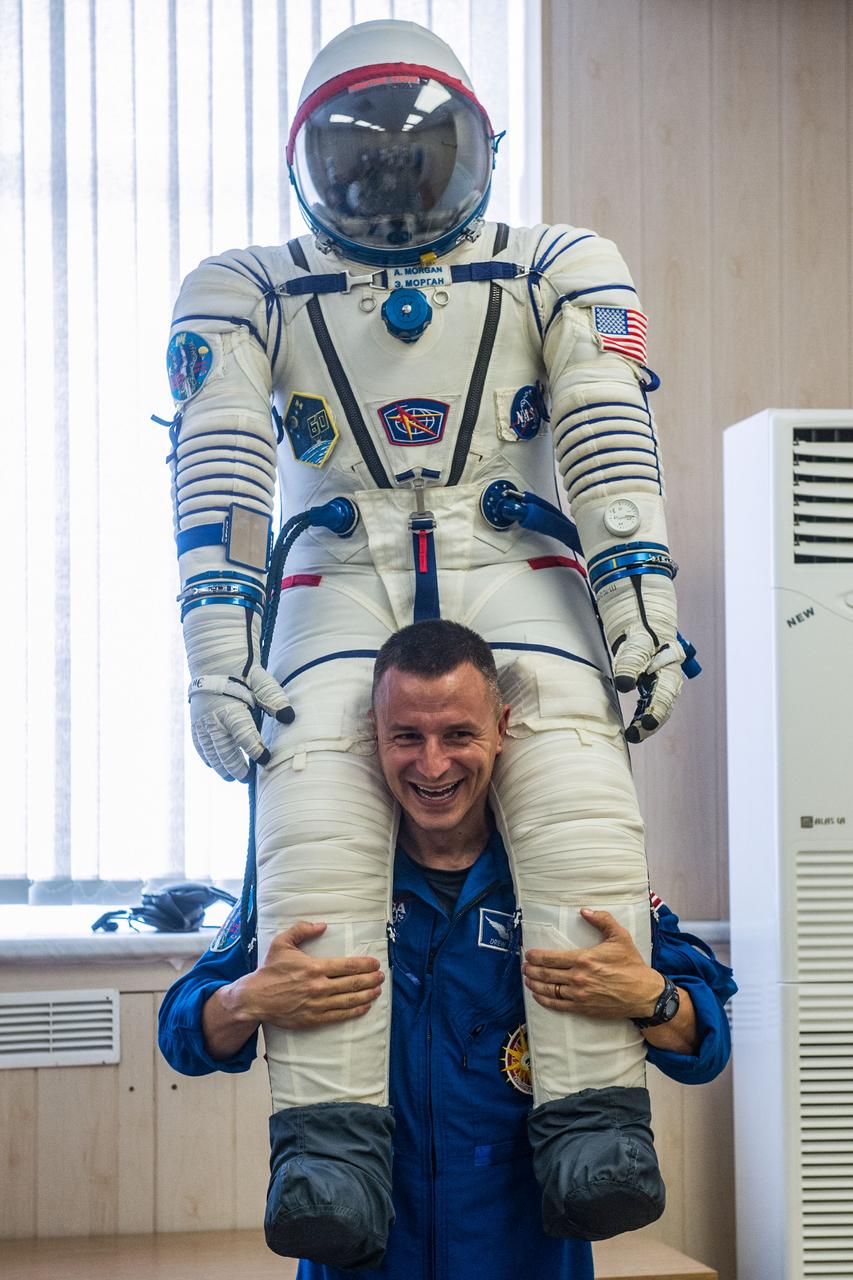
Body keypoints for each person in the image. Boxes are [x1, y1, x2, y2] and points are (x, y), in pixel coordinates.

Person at [163, 17, 700, 1266]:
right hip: (337, 568)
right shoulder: (244, 284)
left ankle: (594, 1122)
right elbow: (223, 464)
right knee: (311, 818)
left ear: (475, 145)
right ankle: (330, 1151)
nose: (391, 185)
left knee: (570, 780)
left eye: (418, 153)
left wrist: (639, 614)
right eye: (361, 159)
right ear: (309, 161)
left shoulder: (557, 262)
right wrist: (214, 650)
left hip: (510, 553)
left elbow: (606, 422)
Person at [159, 621, 736, 1279]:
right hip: (363, 1242)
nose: (431, 765)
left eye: (457, 734)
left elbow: (707, 1045)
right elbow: (181, 1034)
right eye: (406, 736)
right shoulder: (318, 879)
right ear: (373, 736)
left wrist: (650, 1000)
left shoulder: (568, 875)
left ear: (501, 726)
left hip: (521, 1248)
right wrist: (246, 998)